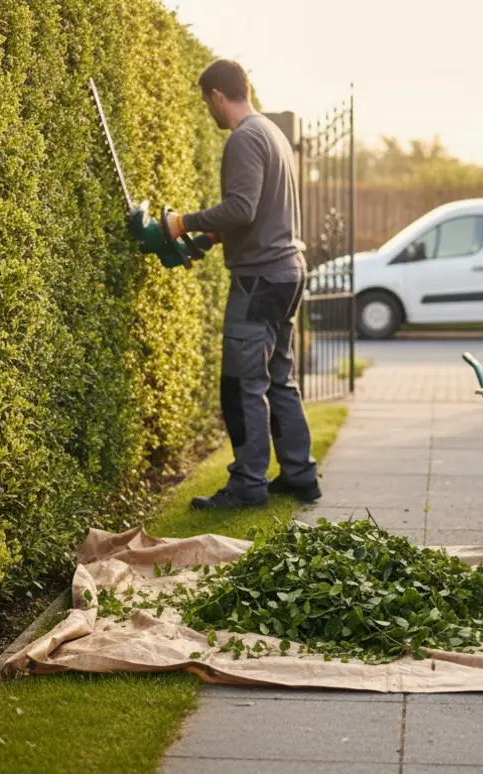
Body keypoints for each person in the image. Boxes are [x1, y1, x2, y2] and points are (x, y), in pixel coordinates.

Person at [164, 58, 320, 510]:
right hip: (288, 269)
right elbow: (260, 208)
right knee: (278, 379)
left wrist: (182, 222)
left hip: (260, 278)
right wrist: (210, 236)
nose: (208, 111)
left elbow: (242, 208)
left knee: (242, 383)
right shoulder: (272, 132)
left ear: (217, 95)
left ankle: (248, 486)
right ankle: (300, 475)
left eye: (205, 101)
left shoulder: (243, 139)